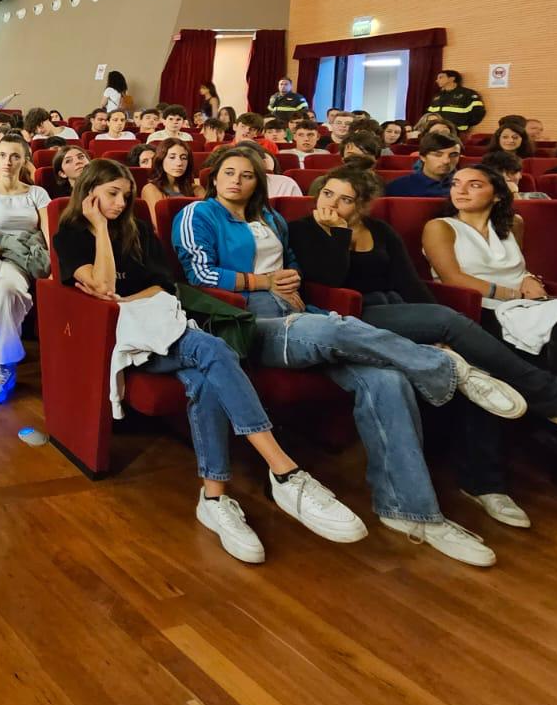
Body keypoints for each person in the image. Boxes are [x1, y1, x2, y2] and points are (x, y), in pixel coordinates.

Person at [173, 145, 514, 566]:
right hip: (246, 325)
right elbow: (200, 273)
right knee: (330, 327)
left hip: (297, 315)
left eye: (246, 175)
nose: (236, 181)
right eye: (229, 172)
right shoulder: (198, 214)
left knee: (386, 379)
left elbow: (294, 264)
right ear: (214, 177)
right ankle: (444, 367)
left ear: (258, 182)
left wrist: (292, 282)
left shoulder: (272, 218)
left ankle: (412, 512)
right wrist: (265, 284)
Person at [55, 159, 366, 563]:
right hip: (124, 339)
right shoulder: (72, 235)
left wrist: (126, 296)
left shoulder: (138, 229)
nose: (120, 202)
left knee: (204, 380)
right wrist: (99, 230)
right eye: (112, 193)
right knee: (214, 349)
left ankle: (214, 498)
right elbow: (105, 285)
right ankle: (286, 472)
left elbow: (163, 284)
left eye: (125, 194)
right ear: (89, 192)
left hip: (164, 321)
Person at [295, 166, 557, 524]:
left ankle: (486, 484)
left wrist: (429, 323)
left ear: (362, 203)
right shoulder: (306, 229)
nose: (335, 203)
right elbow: (327, 281)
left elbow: (410, 285)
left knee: (475, 363)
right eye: (328, 194)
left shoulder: (381, 231)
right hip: (352, 317)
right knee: (448, 321)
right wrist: (337, 236)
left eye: (346, 198)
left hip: (397, 309)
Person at [424, 165, 557, 400]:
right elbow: (452, 278)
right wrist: (515, 296)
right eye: (455, 183)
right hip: (481, 307)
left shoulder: (514, 223)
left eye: (474, 185)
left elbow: (517, 267)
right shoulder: (440, 226)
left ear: (498, 195)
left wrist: (530, 278)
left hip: (528, 304)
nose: (460, 190)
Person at [140, 139, 204, 225]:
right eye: (172, 157)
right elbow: (160, 225)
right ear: (161, 159)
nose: (179, 163)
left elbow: (211, 220)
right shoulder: (150, 189)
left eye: (183, 158)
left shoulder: (197, 189)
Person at [384, 130, 462, 197]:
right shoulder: (398, 187)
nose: (446, 161)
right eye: (438, 155)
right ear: (422, 157)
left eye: (454, 155)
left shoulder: (465, 187)